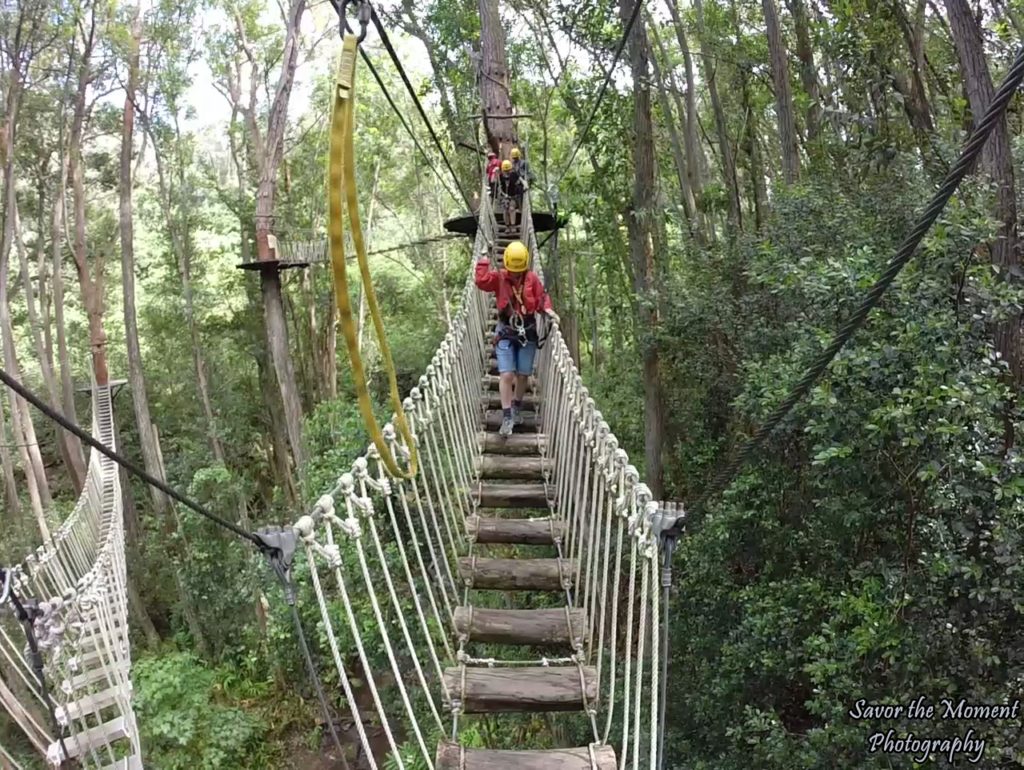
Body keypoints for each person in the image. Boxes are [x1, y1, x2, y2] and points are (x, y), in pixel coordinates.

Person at [475, 241, 559, 437]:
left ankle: (516, 409)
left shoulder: (531, 279)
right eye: (512, 270)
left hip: (527, 330)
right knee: (506, 375)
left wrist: (548, 310)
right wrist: (484, 259)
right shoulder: (500, 277)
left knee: (523, 374)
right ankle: (506, 417)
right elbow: (481, 281)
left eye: (518, 271)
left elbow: (540, 299)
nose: (514, 274)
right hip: (505, 329)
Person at [498, 159, 523, 229]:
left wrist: (524, 184)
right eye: (505, 171)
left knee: (511, 209)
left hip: (513, 197)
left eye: (508, 170)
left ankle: (513, 225)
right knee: (505, 210)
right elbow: (496, 183)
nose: (507, 172)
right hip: (504, 197)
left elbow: (520, 179)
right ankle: (507, 226)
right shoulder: (500, 176)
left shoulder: (514, 175)